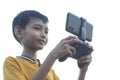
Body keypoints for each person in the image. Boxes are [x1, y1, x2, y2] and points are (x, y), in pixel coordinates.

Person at [3, 10, 93, 80]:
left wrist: (83, 70)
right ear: (18, 31)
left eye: (46, 32)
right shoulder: (12, 63)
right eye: (37, 28)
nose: (43, 35)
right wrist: (53, 55)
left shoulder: (50, 71)